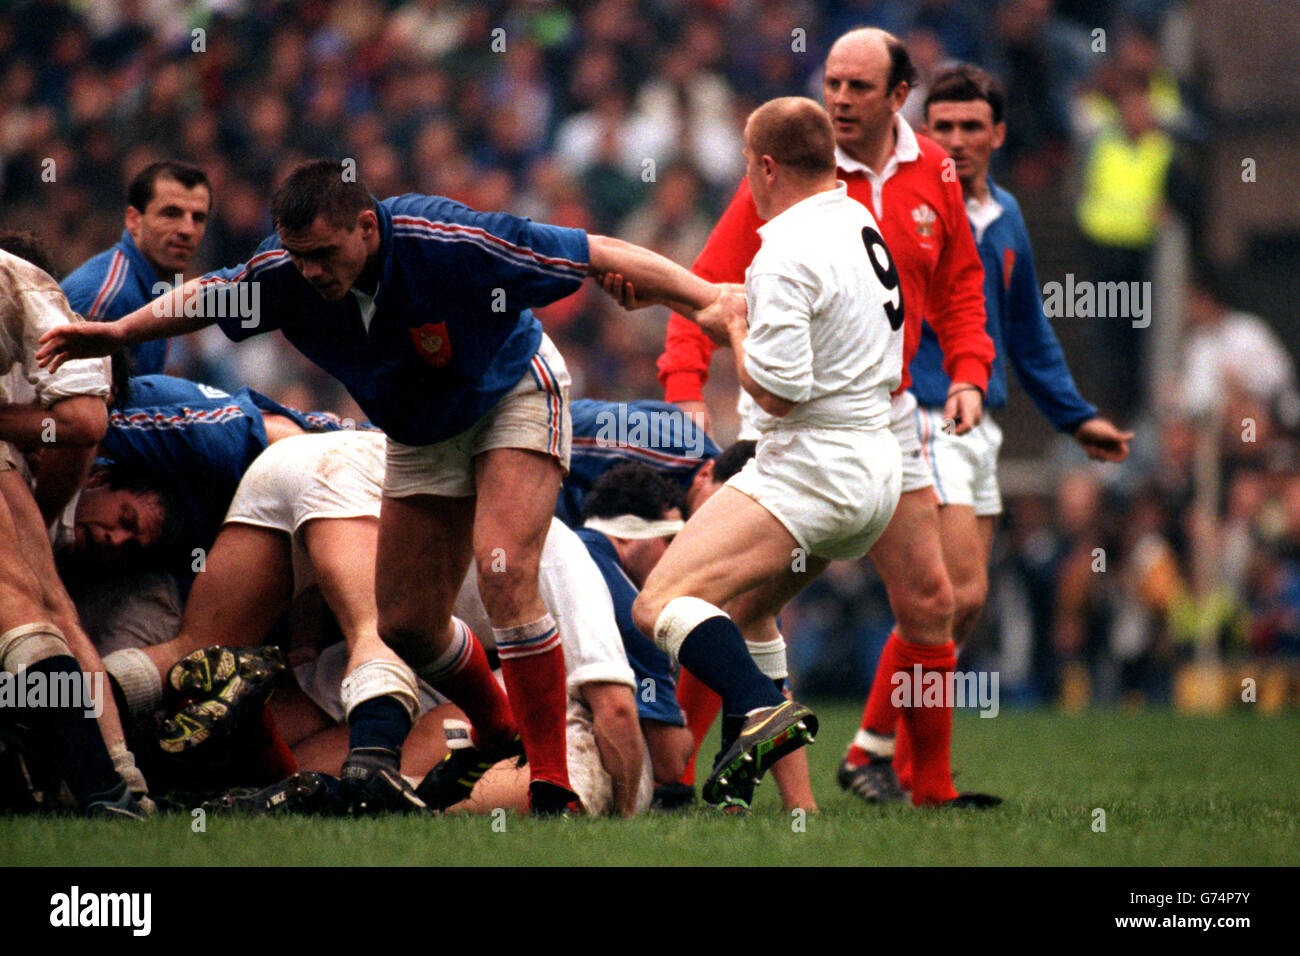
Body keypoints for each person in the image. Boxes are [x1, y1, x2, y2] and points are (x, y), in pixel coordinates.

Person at [38, 158, 728, 814]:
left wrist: (706, 303)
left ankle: (550, 780)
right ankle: (497, 729)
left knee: (504, 571)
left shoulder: (449, 241)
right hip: (420, 431)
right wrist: (116, 331)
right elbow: (208, 295)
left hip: (511, 391)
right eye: (298, 255)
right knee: (404, 624)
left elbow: (595, 251)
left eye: (324, 255)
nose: (310, 272)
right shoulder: (287, 274)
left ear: (367, 228)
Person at [653, 28, 997, 807]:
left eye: (858, 87)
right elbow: (711, 279)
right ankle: (689, 779)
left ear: (899, 97)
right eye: (832, 83)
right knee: (741, 602)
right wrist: (682, 386)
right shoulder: (798, 181)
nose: (840, 98)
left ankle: (927, 787)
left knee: (932, 603)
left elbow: (959, 287)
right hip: (831, 435)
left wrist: (971, 373)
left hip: (878, 418)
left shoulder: (928, 176)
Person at [841, 64, 1133, 800]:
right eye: (943, 127)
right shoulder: (891, 209)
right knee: (948, 594)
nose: (958, 140)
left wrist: (1076, 417)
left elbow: (1028, 336)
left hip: (982, 427)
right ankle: (881, 756)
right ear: (920, 132)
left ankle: (880, 755)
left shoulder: (1004, 218)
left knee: (957, 607)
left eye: (973, 127)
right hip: (925, 416)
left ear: (998, 135)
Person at [621, 95, 906, 812]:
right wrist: (698, 308)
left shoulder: (784, 247)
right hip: (875, 474)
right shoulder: (857, 221)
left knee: (658, 603)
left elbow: (777, 390)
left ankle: (757, 708)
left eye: (749, 167)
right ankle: (794, 808)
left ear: (767, 166)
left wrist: (738, 323)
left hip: (809, 471)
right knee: (749, 615)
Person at [0, 240, 147, 818]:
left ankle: (108, 788)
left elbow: (82, 423)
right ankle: (117, 787)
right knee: (39, 606)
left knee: (27, 605)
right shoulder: (31, 290)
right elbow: (80, 422)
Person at [61, 161, 212, 376]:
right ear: (134, 220)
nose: (188, 229)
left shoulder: (156, 290)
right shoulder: (109, 298)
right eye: (171, 213)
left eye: (198, 218)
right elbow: (78, 405)